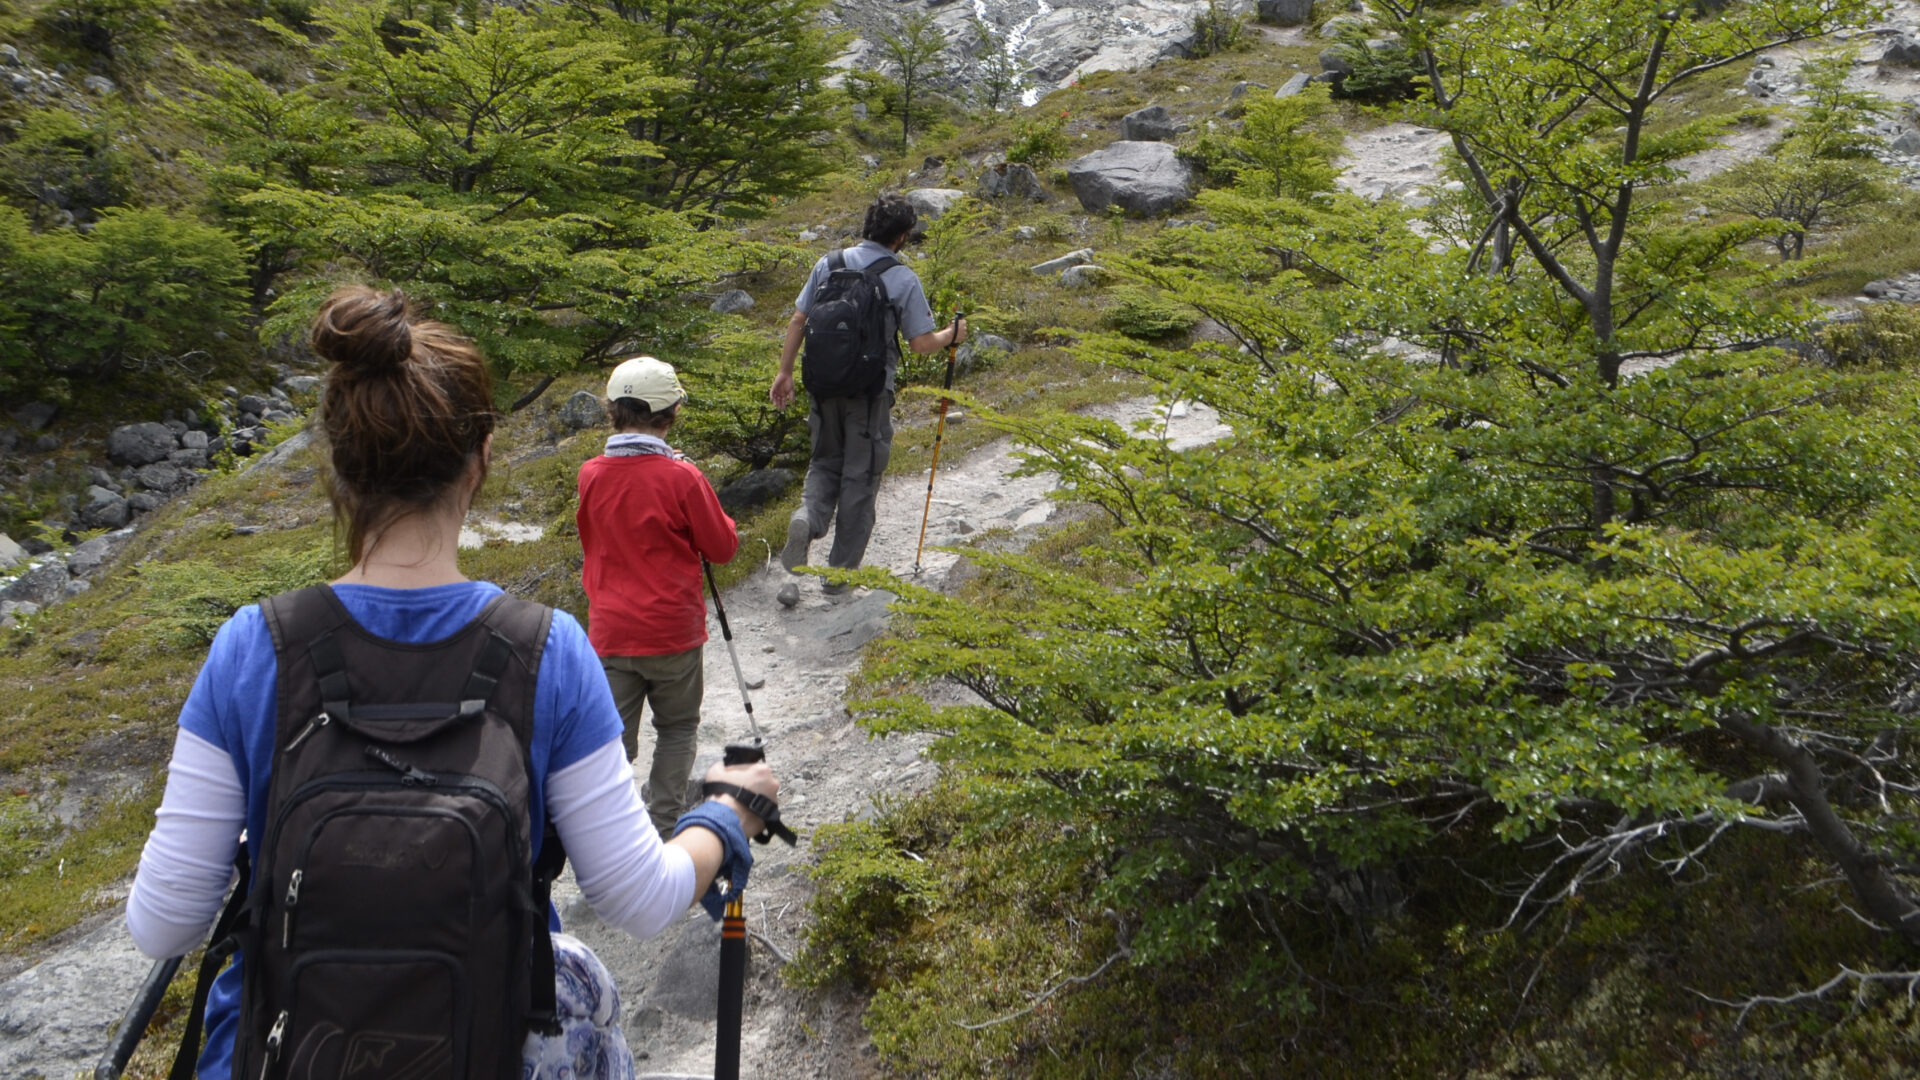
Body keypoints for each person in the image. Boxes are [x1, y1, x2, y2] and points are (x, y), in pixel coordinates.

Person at [126, 288, 778, 1080]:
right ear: (482, 459)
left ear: (340, 461)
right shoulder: (547, 651)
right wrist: (727, 813)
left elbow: (163, 924)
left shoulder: (250, 649)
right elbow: (642, 898)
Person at [769, 193, 967, 600]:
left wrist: (785, 372)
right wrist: (952, 335)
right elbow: (920, 344)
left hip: (822, 388)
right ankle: (838, 575)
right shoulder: (901, 278)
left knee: (824, 462)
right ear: (902, 237)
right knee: (861, 477)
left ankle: (808, 517)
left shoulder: (829, 264)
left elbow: (798, 319)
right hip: (869, 394)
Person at [577, 355, 740, 837]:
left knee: (610, 745)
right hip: (673, 631)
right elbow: (722, 548)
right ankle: (663, 828)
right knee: (677, 729)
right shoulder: (682, 477)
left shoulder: (591, 474)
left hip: (610, 633)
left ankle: (612, 837)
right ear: (670, 415)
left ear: (613, 411)